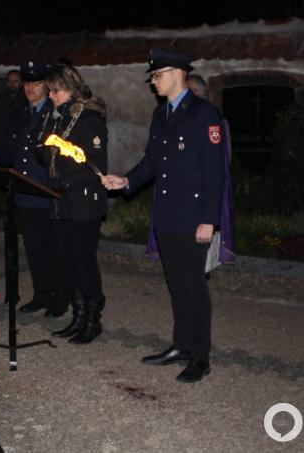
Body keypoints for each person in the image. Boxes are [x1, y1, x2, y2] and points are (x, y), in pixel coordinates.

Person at [102, 49, 225, 382]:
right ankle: (181, 345)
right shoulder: (161, 114)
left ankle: (200, 355)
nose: (153, 82)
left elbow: (215, 173)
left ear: (176, 73)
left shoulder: (204, 114)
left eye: (157, 75)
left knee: (194, 286)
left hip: (193, 216)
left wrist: (209, 220)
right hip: (167, 215)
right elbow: (152, 162)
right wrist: (126, 180)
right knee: (176, 283)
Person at [0, 62, 68, 317]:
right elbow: (10, 149)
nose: (29, 88)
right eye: (26, 83)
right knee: (35, 248)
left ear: (46, 85)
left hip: (47, 191)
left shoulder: (57, 112)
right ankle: (41, 294)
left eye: (35, 83)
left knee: (53, 247)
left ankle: (59, 297)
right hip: (24, 192)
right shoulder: (17, 115)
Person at [38, 64, 108, 344]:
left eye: (54, 90)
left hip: (82, 202)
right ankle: (78, 316)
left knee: (83, 261)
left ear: (70, 88)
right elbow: (47, 158)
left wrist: (62, 184)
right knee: (69, 261)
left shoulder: (89, 119)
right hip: (61, 201)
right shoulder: (58, 118)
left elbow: (96, 165)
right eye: (50, 91)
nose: (50, 96)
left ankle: (93, 319)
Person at [0, 69, 26, 147]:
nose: (12, 84)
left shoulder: (27, 99)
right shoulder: (0, 99)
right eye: (9, 81)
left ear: (21, 83)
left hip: (20, 143)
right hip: (2, 142)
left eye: (15, 81)